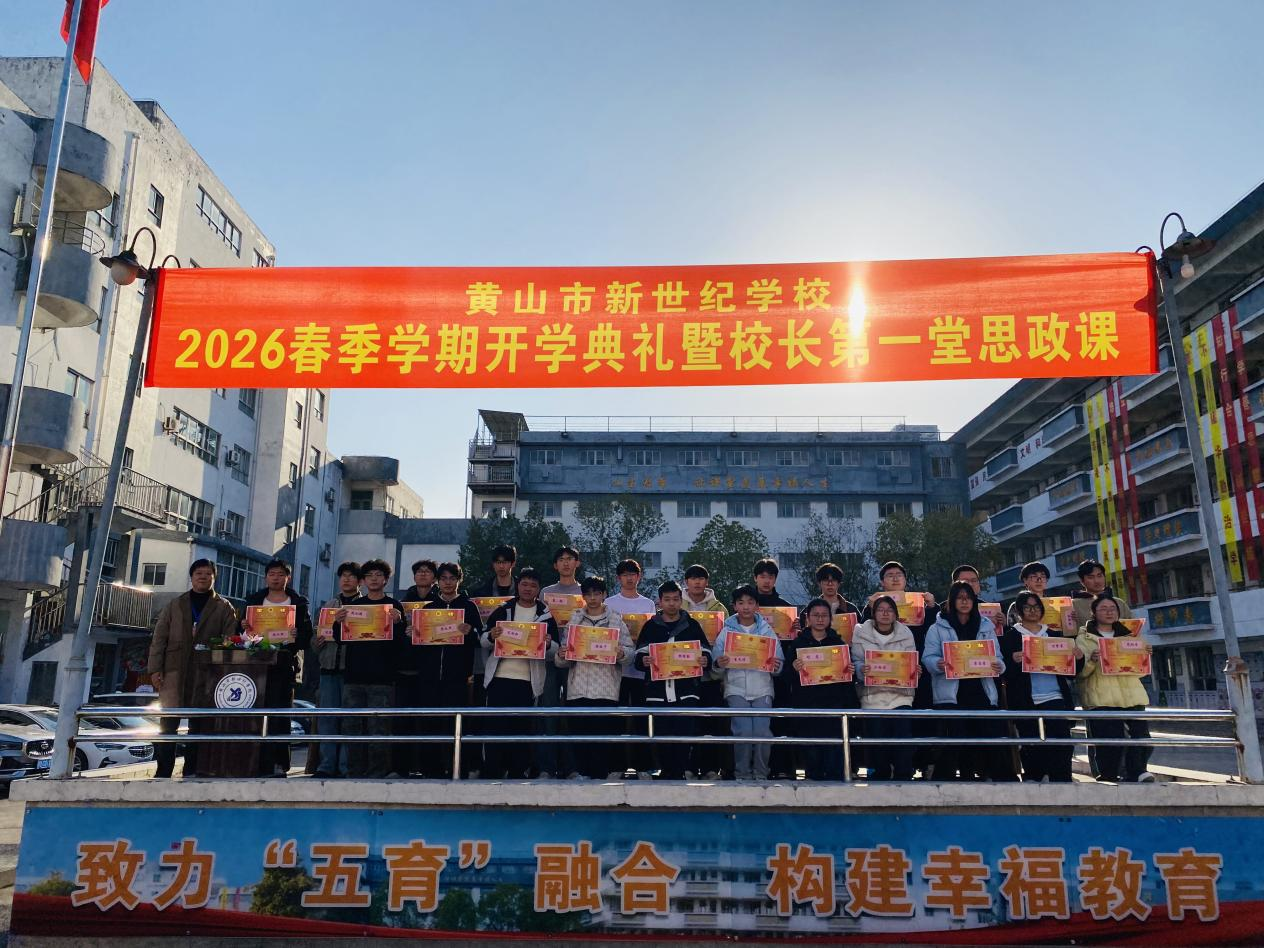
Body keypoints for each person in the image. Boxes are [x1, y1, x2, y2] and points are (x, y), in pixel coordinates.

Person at [148, 559, 238, 778]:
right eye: (199, 573)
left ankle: (193, 770)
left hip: (207, 673)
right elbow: (159, 638)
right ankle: (163, 771)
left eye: (208, 574)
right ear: (191, 577)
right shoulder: (176, 604)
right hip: (174, 670)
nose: (203, 577)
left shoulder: (224, 607)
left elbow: (230, 640)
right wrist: (154, 669)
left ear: (214, 578)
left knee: (199, 725)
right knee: (168, 724)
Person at [923, 580, 1012, 781]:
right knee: (955, 740)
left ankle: (1002, 780)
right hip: (952, 693)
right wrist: (937, 663)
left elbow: (998, 656)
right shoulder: (937, 627)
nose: (964, 602)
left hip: (982, 690)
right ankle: (944, 782)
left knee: (991, 738)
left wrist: (999, 665)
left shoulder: (986, 626)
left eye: (968, 598)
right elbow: (928, 657)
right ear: (952, 600)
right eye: (960, 598)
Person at [481, 567, 559, 779]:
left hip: (528, 682)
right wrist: (492, 636)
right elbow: (483, 640)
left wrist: (548, 644)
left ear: (539, 589)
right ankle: (492, 771)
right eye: (524, 584)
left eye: (533, 585)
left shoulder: (546, 615)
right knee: (495, 728)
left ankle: (517, 772)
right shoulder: (503, 609)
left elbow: (555, 651)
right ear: (518, 585)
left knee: (521, 728)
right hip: (499, 679)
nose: (528, 588)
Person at [406, 562, 482, 778]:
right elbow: (417, 647)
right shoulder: (428, 609)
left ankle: (457, 769)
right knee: (430, 723)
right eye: (444, 578)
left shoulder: (468, 607)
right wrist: (413, 635)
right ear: (437, 581)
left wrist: (470, 631)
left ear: (459, 580)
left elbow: (481, 638)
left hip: (457, 677)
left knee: (455, 724)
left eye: (452, 578)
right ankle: (431, 770)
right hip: (429, 677)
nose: (448, 583)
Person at [240, 559, 315, 777]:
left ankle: (279, 763)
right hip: (256, 665)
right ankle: (253, 761)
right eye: (272, 574)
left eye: (281, 574)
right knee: (254, 715)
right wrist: (242, 626)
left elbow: (306, 637)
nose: (276, 578)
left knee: (280, 716)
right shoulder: (254, 600)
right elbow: (242, 635)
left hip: (284, 665)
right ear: (266, 577)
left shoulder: (298, 603)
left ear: (287, 578)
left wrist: (297, 635)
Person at [863, 561, 938, 777]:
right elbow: (864, 634)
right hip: (881, 678)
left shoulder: (918, 603)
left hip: (914, 671)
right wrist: (869, 609)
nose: (895, 578)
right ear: (882, 582)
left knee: (917, 721)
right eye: (890, 575)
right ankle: (884, 767)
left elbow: (932, 629)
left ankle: (920, 764)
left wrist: (932, 607)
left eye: (899, 575)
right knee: (885, 727)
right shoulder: (875, 606)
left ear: (905, 580)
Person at [555, 575, 634, 780]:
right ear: (583, 596)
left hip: (606, 689)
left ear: (604, 595)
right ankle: (582, 777)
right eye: (588, 594)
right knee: (580, 738)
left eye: (597, 593)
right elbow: (562, 660)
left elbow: (630, 653)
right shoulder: (575, 619)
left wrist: (621, 653)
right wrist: (561, 655)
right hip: (578, 688)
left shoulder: (615, 619)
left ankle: (601, 778)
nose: (592, 598)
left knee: (603, 738)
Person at [338, 558, 407, 778]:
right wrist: (338, 622)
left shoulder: (394, 606)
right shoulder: (354, 606)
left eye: (379, 575)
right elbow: (341, 639)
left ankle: (378, 772)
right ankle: (354, 771)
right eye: (369, 575)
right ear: (364, 580)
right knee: (352, 726)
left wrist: (399, 623)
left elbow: (402, 643)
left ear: (386, 580)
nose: (374, 579)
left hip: (383, 678)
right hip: (354, 677)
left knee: (380, 727)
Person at [635, 581, 711, 779]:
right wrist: (643, 660)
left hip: (686, 691)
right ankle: (666, 772)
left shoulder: (692, 625)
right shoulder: (651, 626)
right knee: (661, 734)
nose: (671, 603)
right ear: (659, 602)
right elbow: (639, 654)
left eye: (676, 599)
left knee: (684, 733)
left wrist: (705, 659)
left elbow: (705, 650)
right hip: (658, 692)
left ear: (681, 601)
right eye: (667, 599)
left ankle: (680, 772)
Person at [1076, 593, 1154, 783]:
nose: (1109, 612)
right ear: (1094, 613)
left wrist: (1144, 657)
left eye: (1112, 609)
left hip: (1131, 694)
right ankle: (1108, 774)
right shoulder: (1084, 637)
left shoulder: (1130, 636)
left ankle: (1137, 771)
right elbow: (1080, 673)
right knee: (1109, 740)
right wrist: (1092, 661)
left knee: (1141, 736)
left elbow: (1140, 673)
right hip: (1102, 696)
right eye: (1103, 608)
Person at [1000, 591, 1076, 782]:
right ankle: (1034, 776)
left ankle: (1062, 778)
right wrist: (1013, 661)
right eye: (1027, 607)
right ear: (1019, 611)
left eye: (1036, 607)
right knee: (1031, 742)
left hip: (1055, 696)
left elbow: (1072, 672)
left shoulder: (1053, 635)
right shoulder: (1010, 637)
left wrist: (1078, 657)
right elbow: (1002, 672)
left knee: (1061, 741)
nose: (1032, 611)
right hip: (1025, 699)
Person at [712, 584, 784, 782]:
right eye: (741, 602)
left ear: (757, 606)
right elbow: (715, 661)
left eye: (750, 602)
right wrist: (719, 663)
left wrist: (776, 665)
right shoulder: (726, 631)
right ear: (734, 606)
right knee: (742, 731)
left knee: (762, 732)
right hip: (735, 688)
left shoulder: (767, 631)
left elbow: (779, 661)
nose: (746, 607)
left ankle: (761, 772)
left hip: (762, 688)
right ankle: (742, 773)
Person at [789, 598, 858, 780]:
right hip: (807, 704)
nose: (820, 619)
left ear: (830, 618)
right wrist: (793, 668)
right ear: (808, 618)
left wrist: (850, 671)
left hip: (833, 703)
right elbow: (786, 677)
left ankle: (835, 779)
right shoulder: (798, 644)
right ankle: (813, 777)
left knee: (834, 747)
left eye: (824, 615)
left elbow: (848, 680)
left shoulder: (839, 643)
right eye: (816, 615)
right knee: (812, 748)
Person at [851, 595, 918, 781]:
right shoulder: (861, 632)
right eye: (881, 610)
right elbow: (856, 660)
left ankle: (903, 776)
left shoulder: (906, 633)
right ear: (873, 614)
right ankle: (880, 776)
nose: (885, 613)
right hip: (872, 696)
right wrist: (860, 668)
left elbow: (911, 661)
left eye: (889, 610)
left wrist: (914, 670)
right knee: (877, 744)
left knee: (902, 742)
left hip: (900, 696)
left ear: (896, 614)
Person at [605, 559, 658, 779]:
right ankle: (615, 766)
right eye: (625, 574)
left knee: (641, 719)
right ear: (619, 578)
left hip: (640, 671)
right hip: (615, 670)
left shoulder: (648, 604)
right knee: (615, 719)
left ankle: (643, 767)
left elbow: (652, 636)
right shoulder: (609, 603)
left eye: (633, 574)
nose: (629, 578)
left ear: (639, 577)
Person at [312, 562, 362, 778]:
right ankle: (326, 766)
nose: (346, 579)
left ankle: (345, 767)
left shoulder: (365, 607)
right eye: (343, 576)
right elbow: (314, 642)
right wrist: (317, 641)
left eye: (351, 576)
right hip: (328, 669)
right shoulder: (329, 606)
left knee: (349, 721)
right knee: (327, 719)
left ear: (360, 581)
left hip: (352, 672)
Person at [537, 546, 584, 778]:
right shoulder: (546, 592)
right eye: (561, 559)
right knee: (548, 712)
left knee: (572, 713)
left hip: (576, 660)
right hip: (549, 659)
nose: (566, 563)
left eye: (570, 559)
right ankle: (546, 767)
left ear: (577, 563)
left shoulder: (585, 593)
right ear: (555, 565)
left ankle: (572, 767)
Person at [682, 564, 730, 780]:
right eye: (693, 578)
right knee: (690, 723)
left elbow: (727, 639)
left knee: (711, 723)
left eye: (701, 578)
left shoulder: (719, 608)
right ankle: (689, 767)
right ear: (686, 582)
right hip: (685, 675)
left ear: (706, 582)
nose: (697, 582)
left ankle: (711, 768)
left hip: (711, 675)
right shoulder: (678, 605)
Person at [751, 559, 797, 779]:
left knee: (779, 720)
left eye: (770, 576)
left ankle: (781, 768)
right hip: (751, 672)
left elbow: (790, 645)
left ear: (775, 579)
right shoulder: (747, 605)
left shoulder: (785, 608)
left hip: (778, 671)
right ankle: (749, 768)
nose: (766, 581)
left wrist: (795, 629)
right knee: (749, 723)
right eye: (762, 576)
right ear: (755, 578)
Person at [1071, 559, 1135, 629]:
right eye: (1091, 577)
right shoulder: (1073, 605)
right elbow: (1067, 631)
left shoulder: (1119, 603)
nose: (1097, 581)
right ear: (1082, 581)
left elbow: (1133, 629)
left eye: (1099, 576)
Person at [1004, 562, 1051, 627]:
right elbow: (1012, 629)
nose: (1039, 580)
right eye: (1034, 576)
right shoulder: (1016, 606)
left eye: (1043, 577)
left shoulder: (1054, 604)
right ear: (1025, 580)